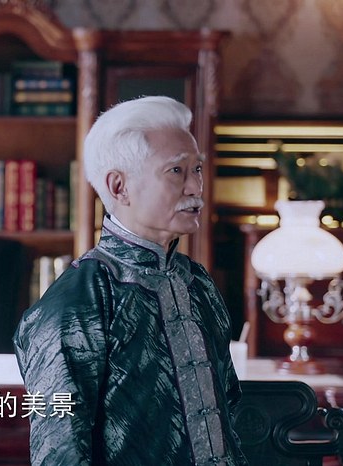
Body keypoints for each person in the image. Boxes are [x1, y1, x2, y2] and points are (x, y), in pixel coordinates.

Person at [14, 96, 248, 465]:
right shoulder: (77, 303)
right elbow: (59, 452)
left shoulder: (197, 283)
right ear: (119, 186)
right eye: (176, 171)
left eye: (197, 169)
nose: (195, 187)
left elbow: (231, 410)